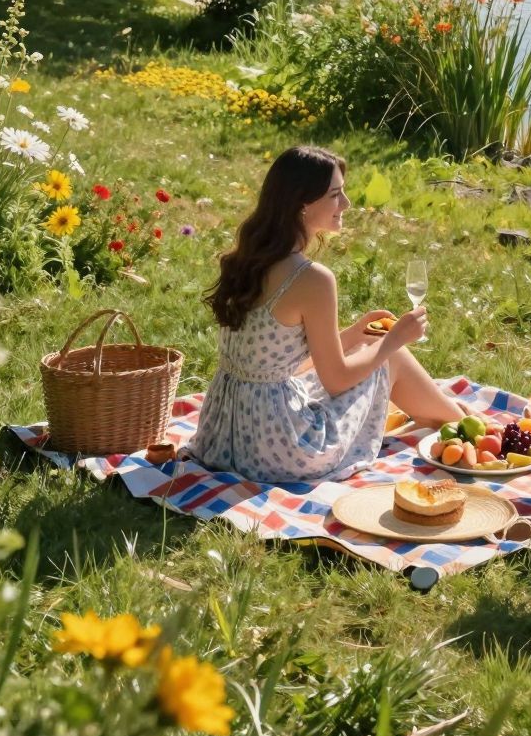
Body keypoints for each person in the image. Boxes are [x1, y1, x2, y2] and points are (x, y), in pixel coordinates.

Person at [190, 144, 463, 485]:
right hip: (280, 450)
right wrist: (394, 340)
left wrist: (354, 334)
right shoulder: (311, 278)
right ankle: (468, 430)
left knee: (370, 349)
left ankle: (455, 421)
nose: (346, 204)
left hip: (225, 437)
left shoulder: (247, 258)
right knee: (389, 359)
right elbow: (336, 379)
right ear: (303, 203)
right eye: (336, 195)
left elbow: (272, 361)